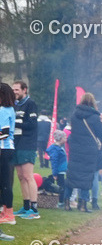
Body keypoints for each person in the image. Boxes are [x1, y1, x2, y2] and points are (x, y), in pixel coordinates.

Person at [67, 93, 102, 214]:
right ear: (93, 102)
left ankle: (66, 202)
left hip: (75, 149)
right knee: (87, 176)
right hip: (89, 150)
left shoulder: (74, 115)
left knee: (72, 174)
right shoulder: (94, 117)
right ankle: (83, 204)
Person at [12, 81, 40, 219]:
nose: (14, 92)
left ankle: (34, 209)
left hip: (27, 144)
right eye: (13, 89)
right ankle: (26, 206)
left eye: (17, 89)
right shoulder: (14, 105)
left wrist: (15, 122)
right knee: (21, 176)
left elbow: (32, 124)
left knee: (29, 176)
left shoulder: (31, 104)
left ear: (24, 90)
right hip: (16, 143)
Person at [0, 83, 17, 230]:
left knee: (5, 182)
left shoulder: (4, 110)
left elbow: (4, 133)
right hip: (7, 148)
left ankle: (9, 214)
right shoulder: (10, 109)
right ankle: (5, 211)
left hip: (3, 148)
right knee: (4, 182)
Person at [46, 130, 69, 210]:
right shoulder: (56, 149)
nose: (66, 139)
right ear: (60, 138)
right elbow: (54, 161)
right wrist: (55, 173)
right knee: (61, 187)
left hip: (62, 170)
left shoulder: (59, 148)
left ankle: (61, 201)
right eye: (64, 137)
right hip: (59, 171)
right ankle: (60, 202)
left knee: (62, 185)